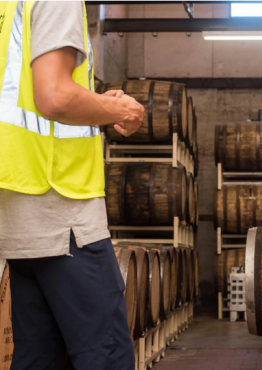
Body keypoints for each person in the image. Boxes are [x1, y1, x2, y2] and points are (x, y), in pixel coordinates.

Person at [0, 0, 145, 369]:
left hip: (16, 198)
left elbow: (22, 96)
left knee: (37, 356)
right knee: (107, 355)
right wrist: (121, 110)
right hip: (59, 203)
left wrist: (95, 103)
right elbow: (54, 96)